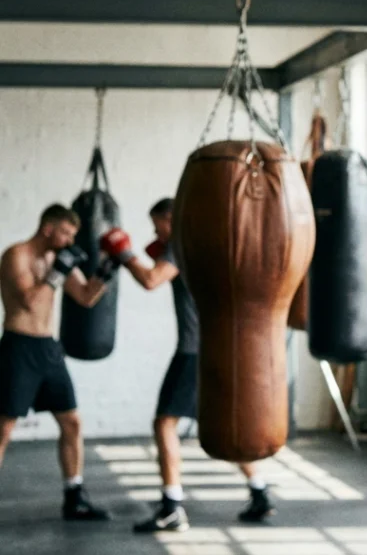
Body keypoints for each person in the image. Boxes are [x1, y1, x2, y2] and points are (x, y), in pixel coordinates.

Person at [100, 198, 275, 533]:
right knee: (222, 425)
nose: (156, 232)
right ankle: (260, 493)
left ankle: (171, 507)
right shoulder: (205, 244)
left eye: (158, 225)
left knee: (165, 424)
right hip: (218, 349)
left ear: (172, 219)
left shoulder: (181, 245)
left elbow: (152, 280)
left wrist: (124, 253)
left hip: (193, 351)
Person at [0, 204, 113, 520]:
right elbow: (29, 300)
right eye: (65, 233)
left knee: (72, 422)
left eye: (72, 236)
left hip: (49, 349)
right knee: (4, 429)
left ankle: (74, 496)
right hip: (19, 347)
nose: (68, 241)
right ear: (48, 228)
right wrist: (58, 271)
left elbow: (86, 296)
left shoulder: (57, 259)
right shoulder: (16, 255)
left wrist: (107, 269)